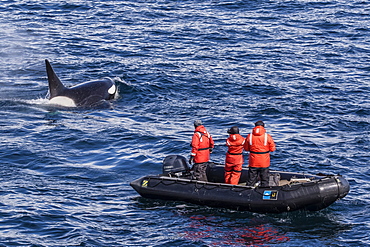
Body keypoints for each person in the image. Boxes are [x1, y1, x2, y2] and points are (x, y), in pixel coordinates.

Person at [244, 121, 276, 187]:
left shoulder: (249, 136)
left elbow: (246, 148)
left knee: (251, 179)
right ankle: (264, 192)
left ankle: (247, 192)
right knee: (265, 179)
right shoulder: (267, 137)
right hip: (264, 161)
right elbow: (272, 149)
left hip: (253, 161)